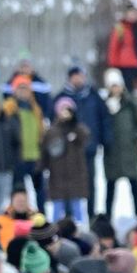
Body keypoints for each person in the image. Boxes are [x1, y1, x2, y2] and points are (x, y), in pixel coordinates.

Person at [55, 66, 111, 217]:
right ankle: (69, 217)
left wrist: (106, 140)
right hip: (69, 151)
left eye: (80, 76)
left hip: (89, 148)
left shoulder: (93, 96)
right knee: (69, 183)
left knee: (90, 183)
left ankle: (91, 214)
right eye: (75, 76)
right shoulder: (61, 97)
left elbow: (104, 118)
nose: (78, 79)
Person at [101, 68, 137, 218]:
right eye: (112, 86)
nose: (115, 89)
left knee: (134, 184)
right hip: (112, 152)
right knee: (110, 186)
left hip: (129, 151)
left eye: (117, 85)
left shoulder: (130, 104)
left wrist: (133, 137)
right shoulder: (105, 106)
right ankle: (108, 216)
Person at [43, 96, 91, 224]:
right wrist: (41, 167)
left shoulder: (77, 128)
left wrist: (74, 123)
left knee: (77, 207)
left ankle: (80, 229)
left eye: (68, 110)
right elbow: (45, 152)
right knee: (57, 208)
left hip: (75, 175)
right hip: (57, 176)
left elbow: (85, 137)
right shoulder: (52, 131)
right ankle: (55, 230)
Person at [4, 76, 47, 211]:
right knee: (18, 192)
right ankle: (17, 216)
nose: (23, 91)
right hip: (18, 158)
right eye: (20, 88)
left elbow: (41, 132)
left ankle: (41, 216)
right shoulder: (9, 110)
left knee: (40, 192)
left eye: (26, 88)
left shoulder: (36, 109)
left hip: (35, 157)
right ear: (14, 91)